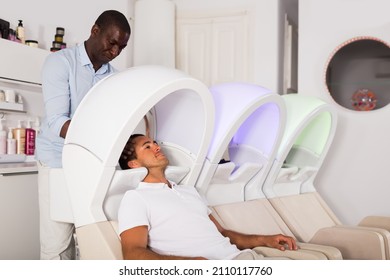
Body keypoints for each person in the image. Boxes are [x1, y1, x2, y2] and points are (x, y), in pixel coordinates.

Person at [35, 10, 131, 260]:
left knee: (94, 237)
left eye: (122, 47)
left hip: (94, 165)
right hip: (57, 161)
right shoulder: (60, 62)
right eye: (112, 43)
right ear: (95, 30)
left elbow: (114, 123)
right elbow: (58, 122)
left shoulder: (116, 79)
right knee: (57, 244)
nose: (115, 52)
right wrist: (101, 139)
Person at [117, 134, 298, 260]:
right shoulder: (136, 198)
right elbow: (133, 253)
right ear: (133, 163)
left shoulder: (189, 191)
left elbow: (222, 234)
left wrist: (265, 240)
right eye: (147, 146)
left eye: (155, 143)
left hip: (243, 259)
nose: (156, 147)